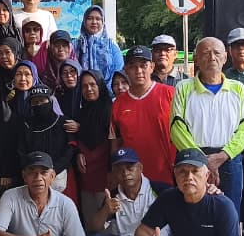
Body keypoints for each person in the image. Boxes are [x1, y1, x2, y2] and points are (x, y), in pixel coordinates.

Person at [170, 36, 244, 202]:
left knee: (230, 210)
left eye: (217, 53)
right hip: (192, 162)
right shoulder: (183, 88)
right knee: (194, 210)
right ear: (196, 59)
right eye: (205, 53)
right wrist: (202, 160)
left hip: (229, 159)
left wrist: (223, 156)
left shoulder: (238, 88)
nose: (212, 57)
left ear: (225, 57)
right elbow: (176, 128)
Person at [111, 46, 177, 187]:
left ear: (152, 67)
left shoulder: (170, 94)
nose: (139, 71)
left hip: (167, 175)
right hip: (132, 180)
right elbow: (115, 142)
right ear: (126, 70)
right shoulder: (118, 104)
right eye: (133, 66)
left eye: (143, 65)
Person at [73, 69, 115, 222]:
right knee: (90, 220)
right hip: (86, 176)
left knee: (107, 221)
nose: (89, 89)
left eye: (92, 84)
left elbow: (113, 143)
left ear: (100, 85)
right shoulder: (81, 113)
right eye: (84, 86)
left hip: (106, 174)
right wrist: (78, 153)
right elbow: (78, 139)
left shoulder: (110, 110)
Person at [19, 85, 76, 193]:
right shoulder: (26, 125)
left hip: (59, 178)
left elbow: (70, 149)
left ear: (50, 101)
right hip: (33, 178)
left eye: (42, 100)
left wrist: (54, 170)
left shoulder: (63, 122)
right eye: (35, 102)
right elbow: (21, 151)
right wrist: (32, 171)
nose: (39, 104)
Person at [73, 6, 123, 85]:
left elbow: (118, 69)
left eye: (98, 19)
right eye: (90, 18)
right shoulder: (75, 44)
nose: (94, 22)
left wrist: (107, 89)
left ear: (103, 22)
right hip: (82, 89)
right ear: (84, 21)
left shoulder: (111, 45)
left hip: (108, 90)